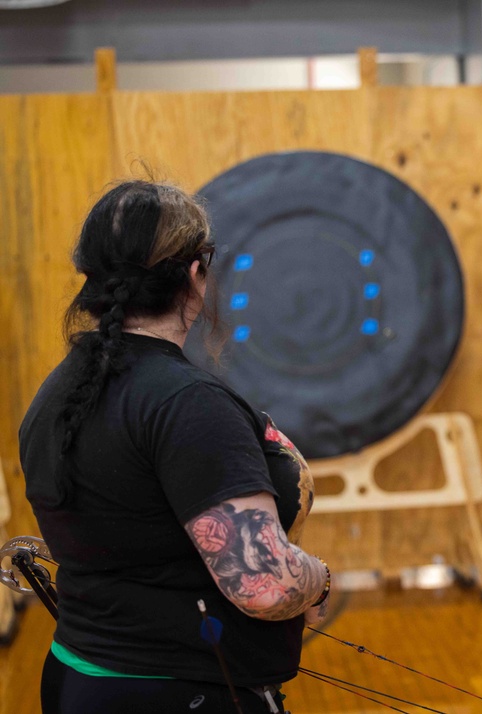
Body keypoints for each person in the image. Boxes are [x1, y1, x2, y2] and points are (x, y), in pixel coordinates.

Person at [19, 180, 330, 713]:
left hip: (79, 678)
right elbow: (267, 586)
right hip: (182, 694)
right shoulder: (188, 404)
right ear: (194, 274)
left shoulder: (57, 391)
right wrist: (320, 581)